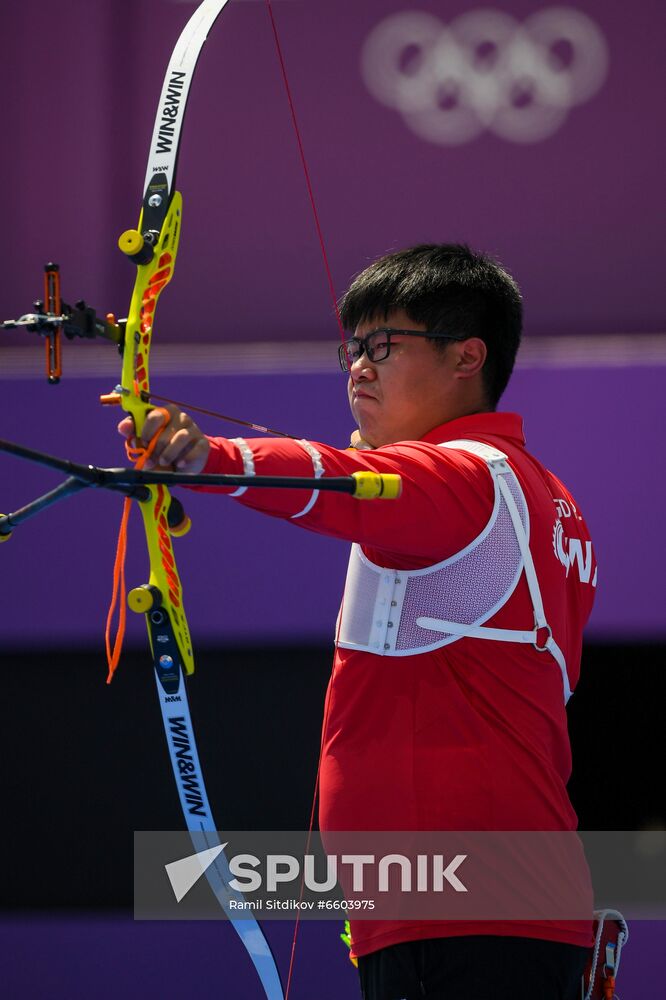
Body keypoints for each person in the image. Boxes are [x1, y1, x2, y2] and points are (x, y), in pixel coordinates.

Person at [119, 244, 597, 1000]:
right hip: (487, 910)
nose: (359, 367)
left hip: (464, 919)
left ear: (467, 355)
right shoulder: (541, 492)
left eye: (385, 345)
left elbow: (337, 482)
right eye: (354, 348)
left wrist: (207, 456)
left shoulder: (465, 476)